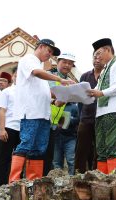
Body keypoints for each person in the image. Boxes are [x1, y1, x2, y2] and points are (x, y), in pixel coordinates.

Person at [8, 39, 74, 183]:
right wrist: (60, 79)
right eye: (49, 51)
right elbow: (37, 72)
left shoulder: (40, 67)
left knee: (39, 149)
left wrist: (67, 93)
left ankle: (34, 182)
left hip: (44, 114)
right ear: (41, 47)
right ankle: (14, 182)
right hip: (31, 112)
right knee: (26, 144)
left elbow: (47, 93)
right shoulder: (29, 60)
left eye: (51, 53)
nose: (49, 55)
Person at [87, 38, 116, 174]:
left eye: (98, 53)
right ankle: (102, 181)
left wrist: (101, 92)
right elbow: (96, 89)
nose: (97, 57)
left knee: (112, 147)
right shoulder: (104, 69)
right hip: (101, 112)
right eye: (95, 55)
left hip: (114, 110)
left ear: (107, 50)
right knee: (101, 149)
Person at [49, 52, 79, 175]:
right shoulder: (50, 77)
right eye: (64, 62)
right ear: (58, 62)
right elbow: (50, 95)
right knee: (54, 161)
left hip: (67, 133)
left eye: (70, 63)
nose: (67, 65)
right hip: (50, 125)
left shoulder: (72, 83)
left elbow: (77, 112)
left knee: (71, 160)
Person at [74, 54, 104, 174]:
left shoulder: (107, 76)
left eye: (99, 57)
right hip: (85, 118)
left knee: (98, 150)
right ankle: (77, 175)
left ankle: (96, 174)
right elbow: (80, 99)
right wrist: (81, 116)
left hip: (101, 117)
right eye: (94, 58)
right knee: (81, 149)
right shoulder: (85, 76)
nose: (97, 60)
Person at [0, 70, 20, 185]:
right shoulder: (7, 91)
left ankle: (17, 183)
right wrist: (2, 129)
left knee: (20, 158)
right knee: (4, 158)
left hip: (24, 129)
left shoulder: (27, 92)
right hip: (9, 127)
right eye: (16, 75)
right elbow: (2, 110)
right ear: (13, 77)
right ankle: (1, 185)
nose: (18, 77)